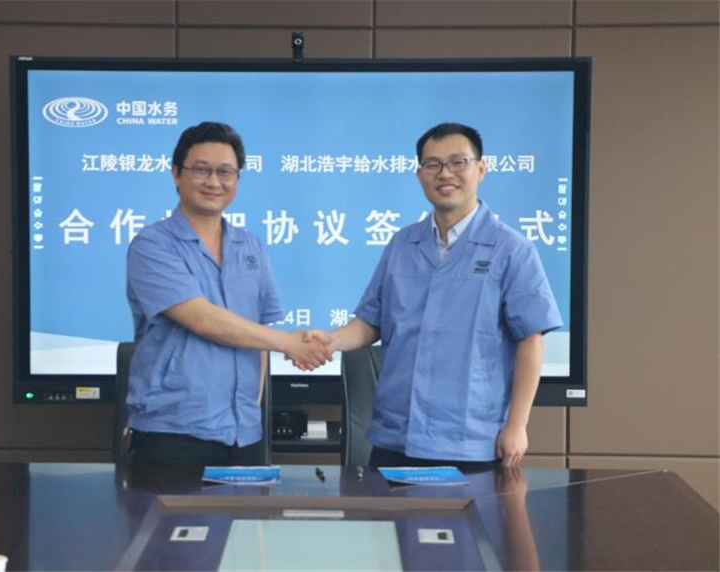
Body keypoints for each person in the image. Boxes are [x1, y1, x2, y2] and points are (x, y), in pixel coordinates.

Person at [306, 122, 563, 469]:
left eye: (458, 162)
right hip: (395, 436)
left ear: (480, 169)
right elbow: (370, 322)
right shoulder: (402, 244)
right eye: (433, 164)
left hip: (470, 441)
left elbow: (531, 339)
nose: (445, 174)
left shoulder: (511, 249)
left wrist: (517, 426)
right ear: (419, 174)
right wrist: (331, 340)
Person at [126, 121, 329, 465]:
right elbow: (203, 320)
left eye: (225, 172)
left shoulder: (250, 246)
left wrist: (251, 408)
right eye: (200, 170)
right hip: (173, 431)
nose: (213, 182)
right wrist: (289, 343)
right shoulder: (152, 245)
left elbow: (259, 332)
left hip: (243, 432)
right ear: (176, 173)